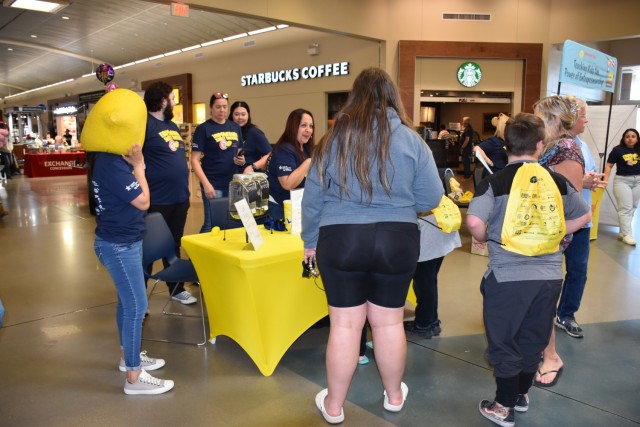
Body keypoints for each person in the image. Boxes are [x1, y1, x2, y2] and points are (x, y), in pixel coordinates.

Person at [301, 67, 442, 424]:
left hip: (341, 237)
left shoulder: (332, 140)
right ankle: (394, 396)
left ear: (354, 97)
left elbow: (313, 198)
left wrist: (309, 242)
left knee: (346, 326)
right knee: (389, 323)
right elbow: (431, 195)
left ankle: (334, 406)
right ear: (392, 97)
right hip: (397, 238)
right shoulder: (412, 140)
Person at [467, 113, 590, 427]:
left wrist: (484, 237)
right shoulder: (558, 181)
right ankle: (520, 395)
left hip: (507, 277)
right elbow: (584, 215)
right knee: (533, 339)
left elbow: (474, 223)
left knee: (503, 341)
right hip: (549, 277)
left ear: (506, 145)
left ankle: (503, 407)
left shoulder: (494, 182)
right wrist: (561, 231)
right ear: (539, 145)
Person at [92, 144, 174, 395]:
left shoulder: (115, 158)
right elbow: (144, 201)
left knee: (126, 303)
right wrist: (139, 165)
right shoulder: (111, 163)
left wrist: (135, 164)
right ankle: (134, 376)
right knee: (137, 306)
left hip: (127, 240)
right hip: (119, 245)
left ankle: (129, 357)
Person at [533, 95, 586, 386]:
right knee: (534, 297)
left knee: (542, 299)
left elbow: (572, 205)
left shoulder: (566, 150)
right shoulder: (552, 147)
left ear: (554, 120)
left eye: (541, 118)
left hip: (549, 238)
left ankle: (551, 356)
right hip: (538, 235)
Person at [553, 95, 606, 338]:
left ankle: (566, 314)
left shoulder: (582, 146)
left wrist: (590, 180)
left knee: (578, 271)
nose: (586, 120)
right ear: (570, 117)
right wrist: (578, 180)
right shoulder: (551, 145)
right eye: (583, 115)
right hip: (555, 221)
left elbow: (589, 173)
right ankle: (540, 314)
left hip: (581, 221)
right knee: (548, 271)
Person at [142, 81, 195, 305]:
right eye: (173, 99)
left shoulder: (172, 126)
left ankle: (176, 289)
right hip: (157, 200)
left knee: (173, 245)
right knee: (148, 251)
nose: (175, 102)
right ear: (163, 101)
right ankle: (139, 298)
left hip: (179, 198)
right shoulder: (145, 126)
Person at [191, 92, 244, 233]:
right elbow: (194, 160)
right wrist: (206, 184)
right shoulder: (203, 129)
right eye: (218, 107)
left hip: (232, 184)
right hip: (213, 184)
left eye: (225, 107)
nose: (222, 110)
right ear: (211, 108)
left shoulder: (235, 127)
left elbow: (238, 151)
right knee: (211, 225)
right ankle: (196, 255)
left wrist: (241, 160)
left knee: (230, 224)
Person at [403, 212, 461, 339]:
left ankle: (424, 325)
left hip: (428, 233)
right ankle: (431, 321)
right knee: (429, 280)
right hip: (439, 227)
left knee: (423, 283)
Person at [266, 108, 314, 220]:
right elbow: (287, 184)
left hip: (297, 207)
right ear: (293, 127)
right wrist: (308, 162)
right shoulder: (285, 149)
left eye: (311, 126)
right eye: (303, 125)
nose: (308, 130)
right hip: (279, 209)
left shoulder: (305, 149)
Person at [603, 128, 640, 246]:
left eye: (633, 136)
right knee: (625, 208)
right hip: (622, 181)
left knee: (632, 207)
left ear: (637, 138)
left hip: (638, 181)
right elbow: (609, 165)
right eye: (627, 136)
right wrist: (605, 181)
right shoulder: (617, 150)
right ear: (624, 138)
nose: (630, 138)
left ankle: (623, 232)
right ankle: (628, 235)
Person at [228, 101, 272, 173]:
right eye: (236, 114)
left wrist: (253, 166)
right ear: (231, 115)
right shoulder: (226, 131)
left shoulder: (254, 132)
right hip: (227, 176)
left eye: (243, 114)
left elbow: (269, 154)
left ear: (248, 115)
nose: (240, 117)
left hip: (249, 177)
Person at [474, 113, 509, 178]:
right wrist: (490, 162)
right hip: (493, 178)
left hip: (503, 177)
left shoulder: (506, 142)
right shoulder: (494, 141)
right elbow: (476, 148)